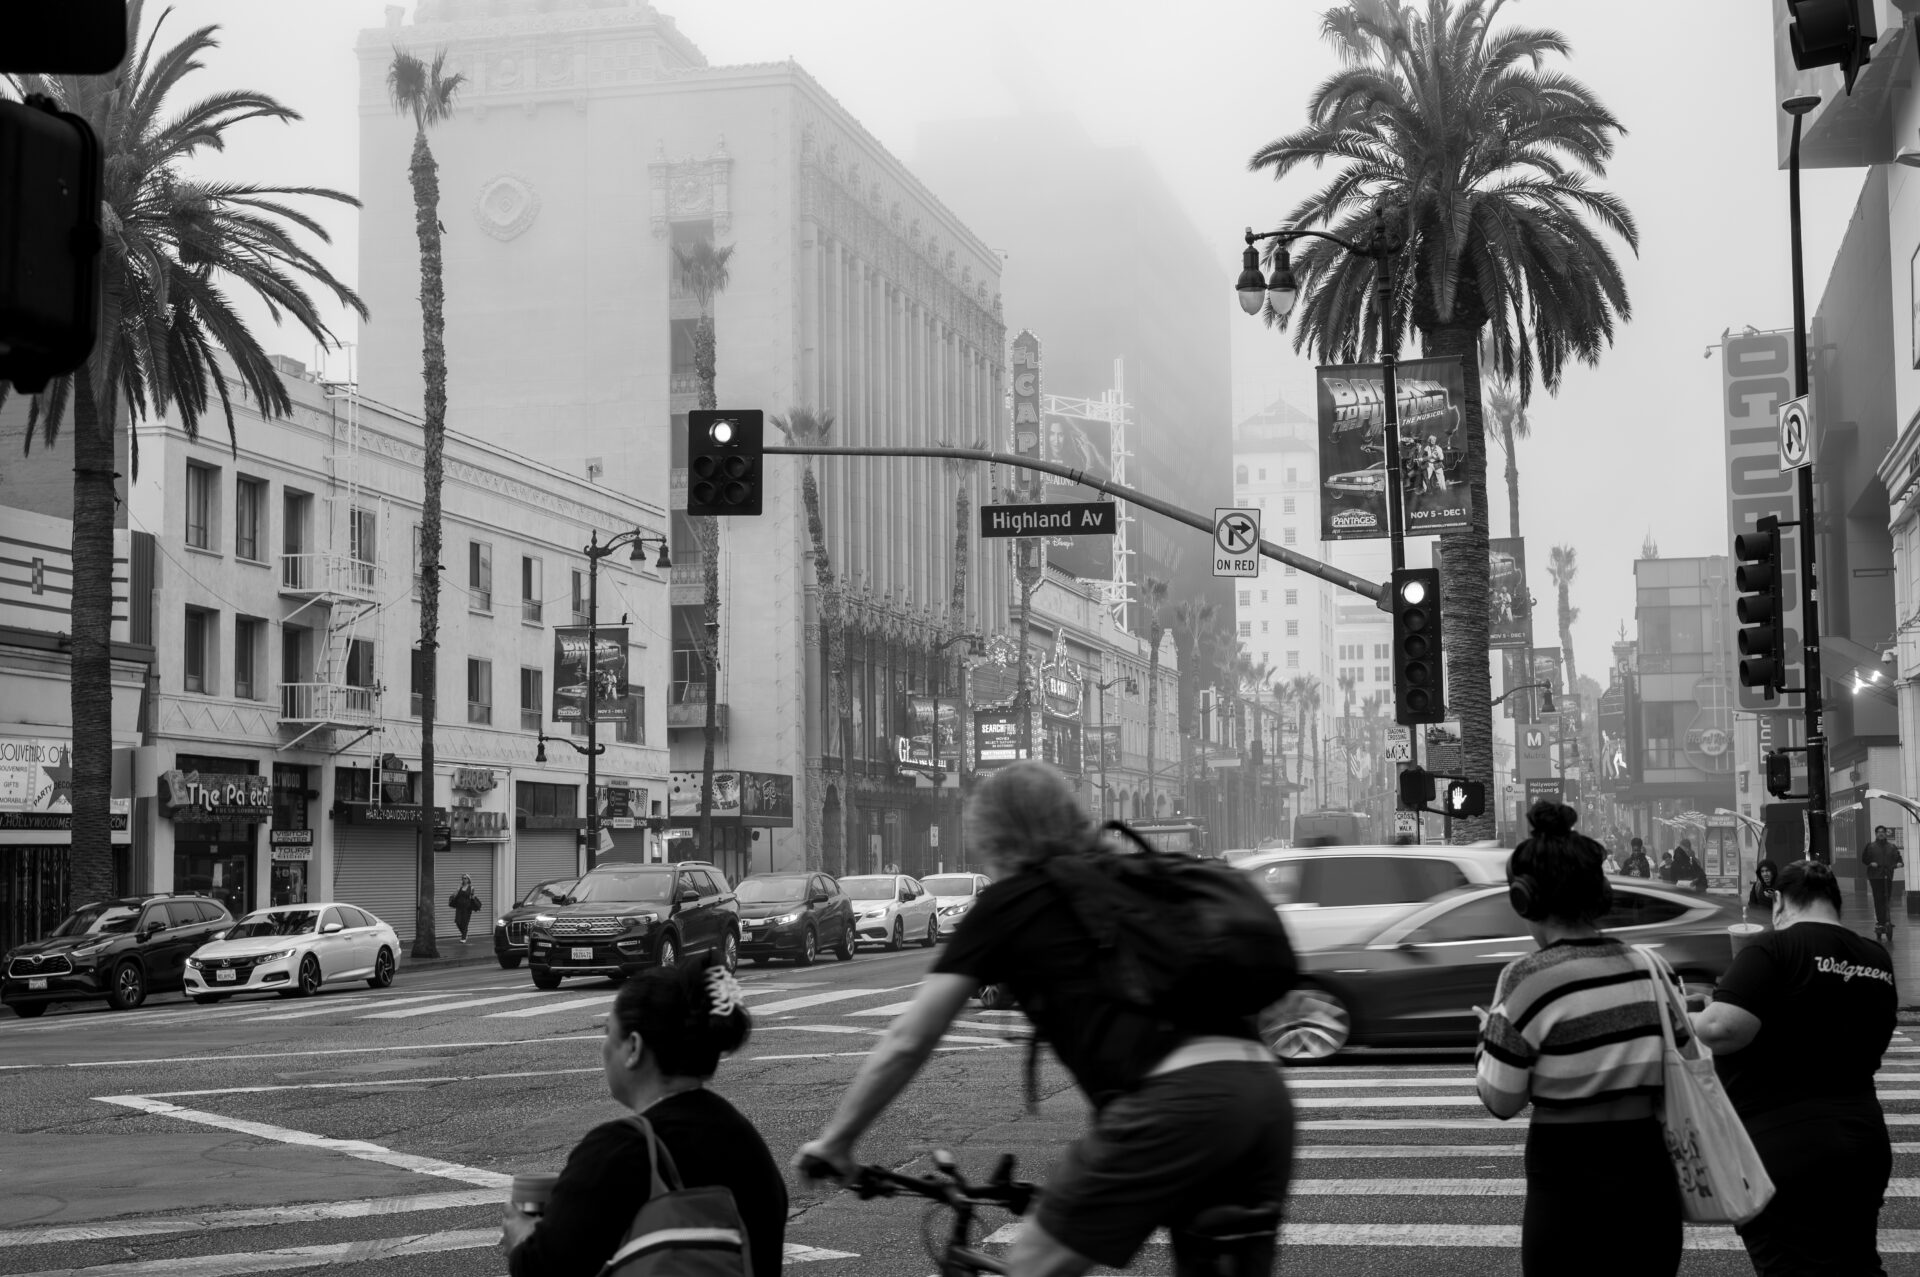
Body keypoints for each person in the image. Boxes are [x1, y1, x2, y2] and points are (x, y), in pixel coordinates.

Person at [795, 761, 1295, 1277]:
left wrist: (836, 1141)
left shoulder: (1013, 901)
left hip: (1177, 1105)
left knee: (1033, 1263)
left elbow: (909, 1038)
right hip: (1262, 1094)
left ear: (993, 834)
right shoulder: (1132, 879)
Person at [1475, 800, 1682, 1277]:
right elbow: (1684, 1064)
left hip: (1567, 1178)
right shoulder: (1655, 969)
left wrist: (1491, 1037)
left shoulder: (1525, 979)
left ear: (1524, 899)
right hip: (1649, 1174)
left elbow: (1502, 1099)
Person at [501, 954, 786, 1277]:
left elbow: (543, 1269)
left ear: (633, 1048)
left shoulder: (619, 1150)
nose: (604, 1047)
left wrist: (521, 1237)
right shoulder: (745, 1141)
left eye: (608, 1031)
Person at [1691, 860, 1898, 1275]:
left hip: (1785, 1140)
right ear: (1834, 901)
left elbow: (1723, 1028)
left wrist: (1692, 1013)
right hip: (1862, 1135)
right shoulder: (1875, 957)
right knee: (1855, 1260)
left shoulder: (1772, 948)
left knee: (1789, 1263)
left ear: (1781, 900)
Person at [1863, 826, 1904, 940]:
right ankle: (1880, 921)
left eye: (1883, 832)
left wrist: (1899, 863)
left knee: (1887, 898)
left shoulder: (1892, 847)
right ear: (1875, 834)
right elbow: (1864, 859)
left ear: (1886, 834)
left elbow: (1898, 859)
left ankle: (1886, 920)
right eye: (1878, 832)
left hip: (1888, 875)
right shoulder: (1870, 846)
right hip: (1875, 876)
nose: (1881, 834)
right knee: (1878, 898)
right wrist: (1871, 863)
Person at [449, 874, 481, 941]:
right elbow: (454, 895)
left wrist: (474, 898)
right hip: (459, 907)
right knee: (458, 922)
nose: (464, 879)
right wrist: (453, 895)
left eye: (466, 878)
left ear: (469, 879)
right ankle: (465, 933)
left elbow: (472, 897)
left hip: (467, 907)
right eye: (463, 878)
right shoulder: (459, 887)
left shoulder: (471, 888)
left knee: (465, 922)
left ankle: (463, 938)